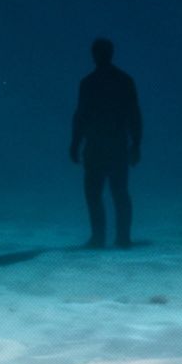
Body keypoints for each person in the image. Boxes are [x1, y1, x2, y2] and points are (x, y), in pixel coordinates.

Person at [69, 37, 143, 248]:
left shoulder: (89, 82)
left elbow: (81, 116)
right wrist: (136, 144)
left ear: (94, 55)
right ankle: (121, 238)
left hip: (96, 146)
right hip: (115, 145)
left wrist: (75, 142)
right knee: (117, 192)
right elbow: (134, 115)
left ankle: (101, 237)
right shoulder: (124, 80)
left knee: (96, 193)